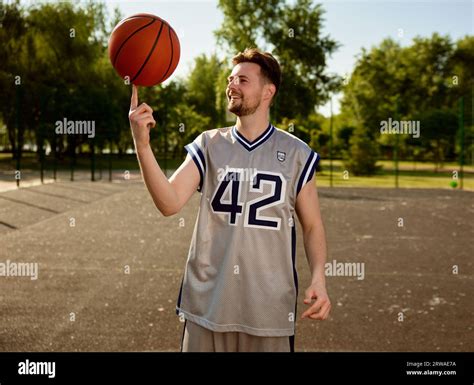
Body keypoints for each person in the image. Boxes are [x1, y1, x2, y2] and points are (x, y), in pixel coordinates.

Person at [128, 48, 331, 352]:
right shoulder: (209, 143)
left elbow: (313, 226)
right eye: (231, 78)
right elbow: (169, 203)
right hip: (208, 305)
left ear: (268, 92)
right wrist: (142, 145)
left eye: (243, 80)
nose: (232, 85)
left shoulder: (296, 153)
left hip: (269, 310)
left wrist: (319, 278)